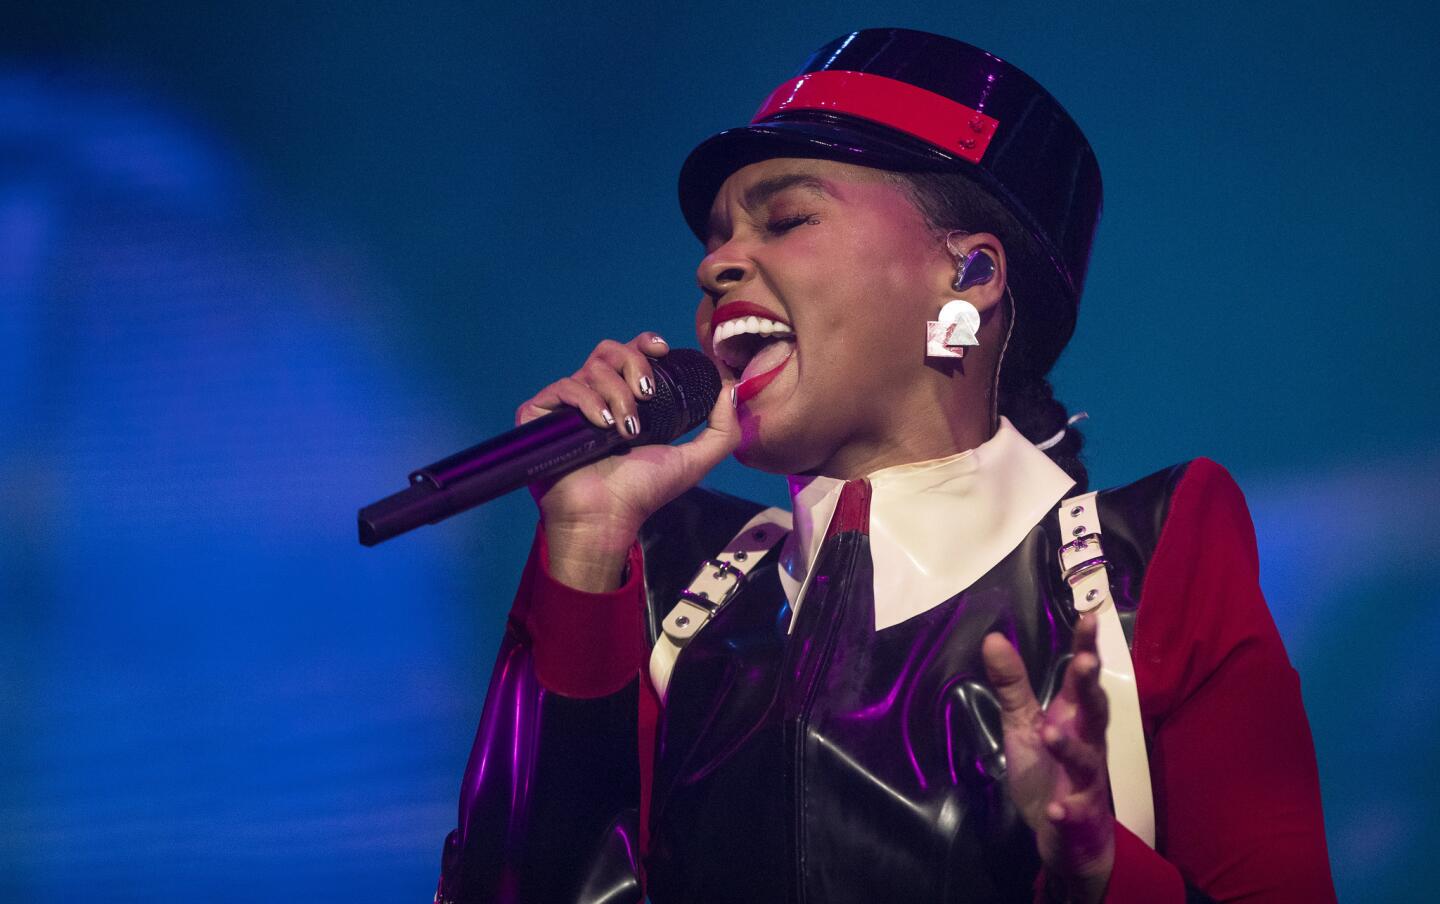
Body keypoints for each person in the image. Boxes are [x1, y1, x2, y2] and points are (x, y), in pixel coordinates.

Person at [433, 28, 1335, 904]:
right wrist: (585, 547)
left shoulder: (1147, 560)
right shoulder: (674, 581)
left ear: (971, 273)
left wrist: (1098, 868)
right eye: (714, 239)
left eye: (785, 218)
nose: (718, 266)